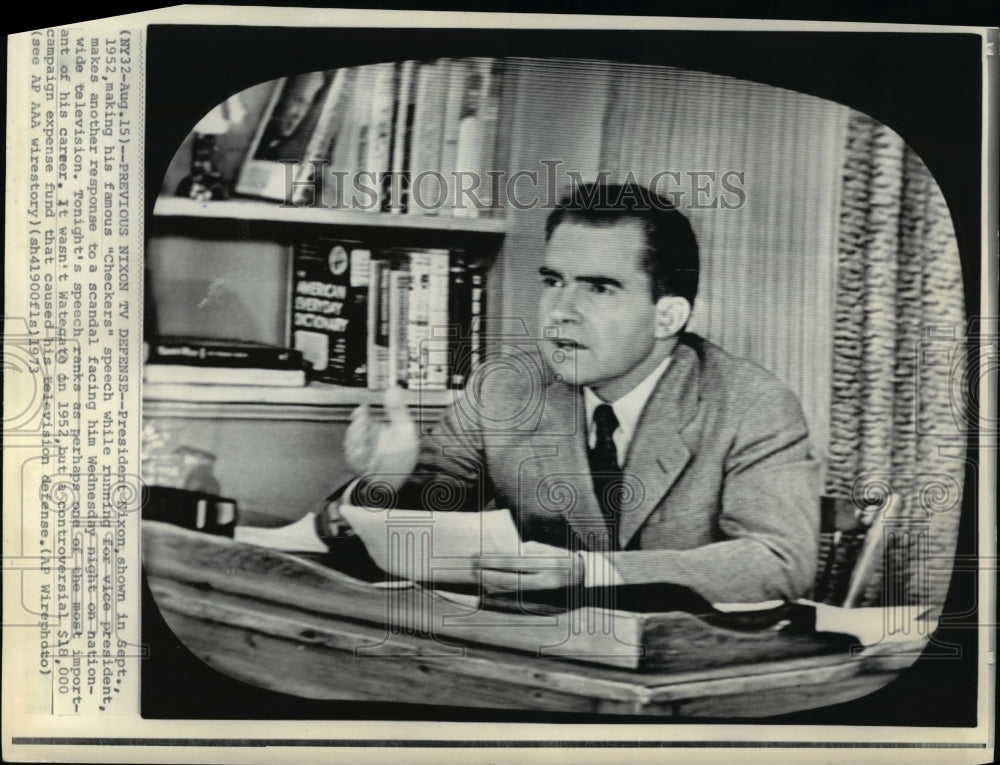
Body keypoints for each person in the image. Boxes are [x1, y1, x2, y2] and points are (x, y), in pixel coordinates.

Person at [318, 182, 820, 604]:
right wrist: (382, 481)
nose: (560, 311)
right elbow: (418, 529)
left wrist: (590, 572)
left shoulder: (750, 404)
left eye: (599, 288)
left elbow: (778, 561)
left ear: (668, 315)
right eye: (553, 281)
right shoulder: (507, 389)